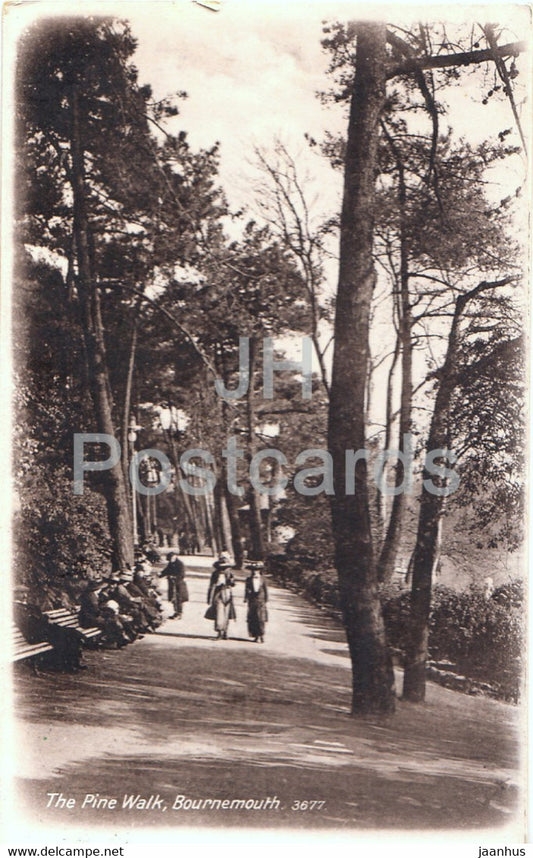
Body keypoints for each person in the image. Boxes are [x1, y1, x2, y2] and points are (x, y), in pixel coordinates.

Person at [206, 555, 236, 640]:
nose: (224, 569)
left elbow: (233, 584)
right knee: (219, 613)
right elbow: (211, 585)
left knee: (226, 613)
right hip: (218, 594)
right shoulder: (215, 574)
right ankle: (219, 632)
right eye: (222, 567)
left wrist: (231, 582)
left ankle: (225, 632)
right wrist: (209, 597)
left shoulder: (229, 574)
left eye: (225, 567)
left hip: (227, 594)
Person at [244, 561, 269, 643]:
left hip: (260, 600)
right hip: (252, 601)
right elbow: (246, 590)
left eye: (257, 570)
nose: (255, 572)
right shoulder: (248, 579)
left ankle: (261, 635)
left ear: (260, 571)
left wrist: (266, 599)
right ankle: (255, 635)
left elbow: (266, 590)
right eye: (253, 570)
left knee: (261, 618)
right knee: (253, 618)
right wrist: (246, 597)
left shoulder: (263, 579)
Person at [160, 552, 189, 619]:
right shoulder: (171, 563)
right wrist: (160, 574)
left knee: (179, 599)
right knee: (173, 599)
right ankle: (176, 612)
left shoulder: (180, 564)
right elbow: (167, 570)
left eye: (171, 559)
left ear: (174, 557)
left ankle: (179, 613)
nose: (170, 561)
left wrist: (173, 577)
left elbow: (182, 574)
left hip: (179, 585)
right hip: (173, 584)